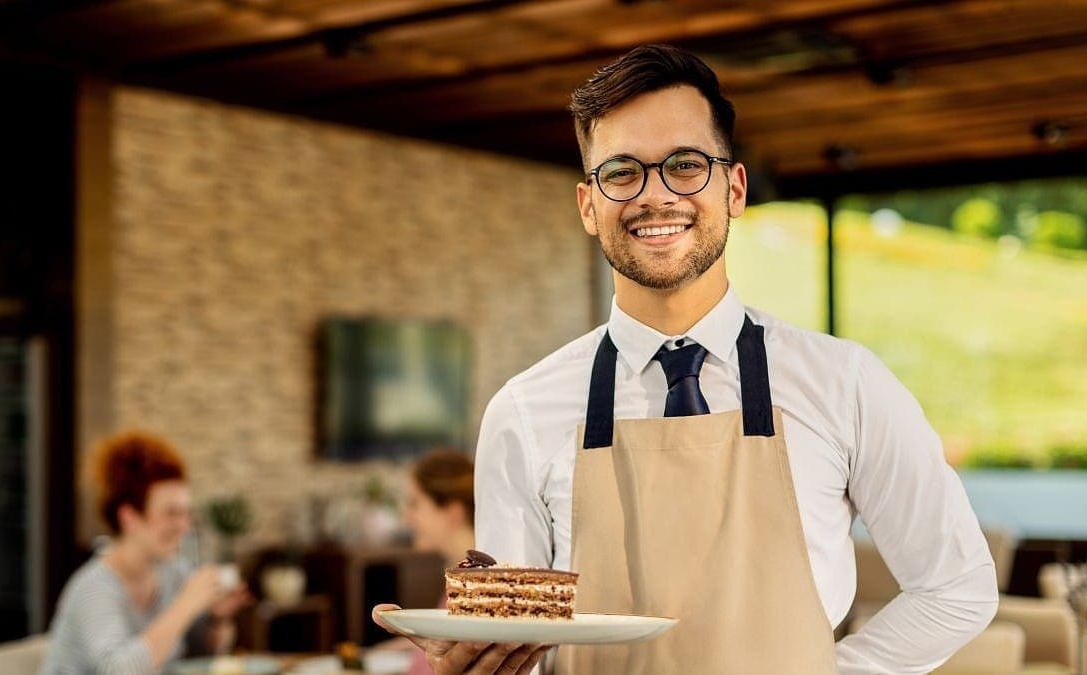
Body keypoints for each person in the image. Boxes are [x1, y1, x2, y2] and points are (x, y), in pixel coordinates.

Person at [376, 44, 998, 674]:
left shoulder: (845, 384)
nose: (655, 195)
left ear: (734, 188)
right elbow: (516, 643)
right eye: (621, 172)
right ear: (589, 206)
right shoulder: (524, 411)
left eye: (685, 164)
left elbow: (956, 587)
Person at [41, 431, 251, 674]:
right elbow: (118, 671)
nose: (184, 526)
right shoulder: (94, 589)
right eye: (171, 513)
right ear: (129, 517)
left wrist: (217, 617)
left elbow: (201, 656)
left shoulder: (174, 573)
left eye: (186, 513)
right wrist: (186, 605)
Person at [392, 448, 478, 675]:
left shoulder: (473, 588)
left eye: (415, 504)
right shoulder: (457, 575)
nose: (407, 516)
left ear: (453, 512)